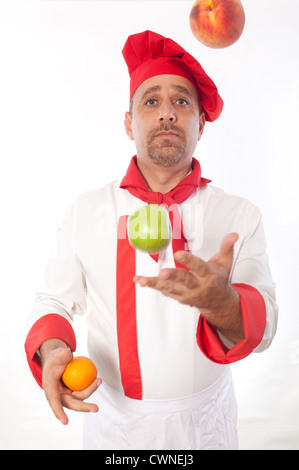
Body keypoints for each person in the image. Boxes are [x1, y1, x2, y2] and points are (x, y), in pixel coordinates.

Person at [25, 30, 278, 450]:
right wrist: (53, 352)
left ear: (200, 122)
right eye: (150, 101)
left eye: (181, 101)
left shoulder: (239, 217)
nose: (166, 113)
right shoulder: (86, 210)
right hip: (114, 429)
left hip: (205, 428)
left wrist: (223, 304)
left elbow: (266, 327)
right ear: (129, 122)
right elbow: (53, 302)